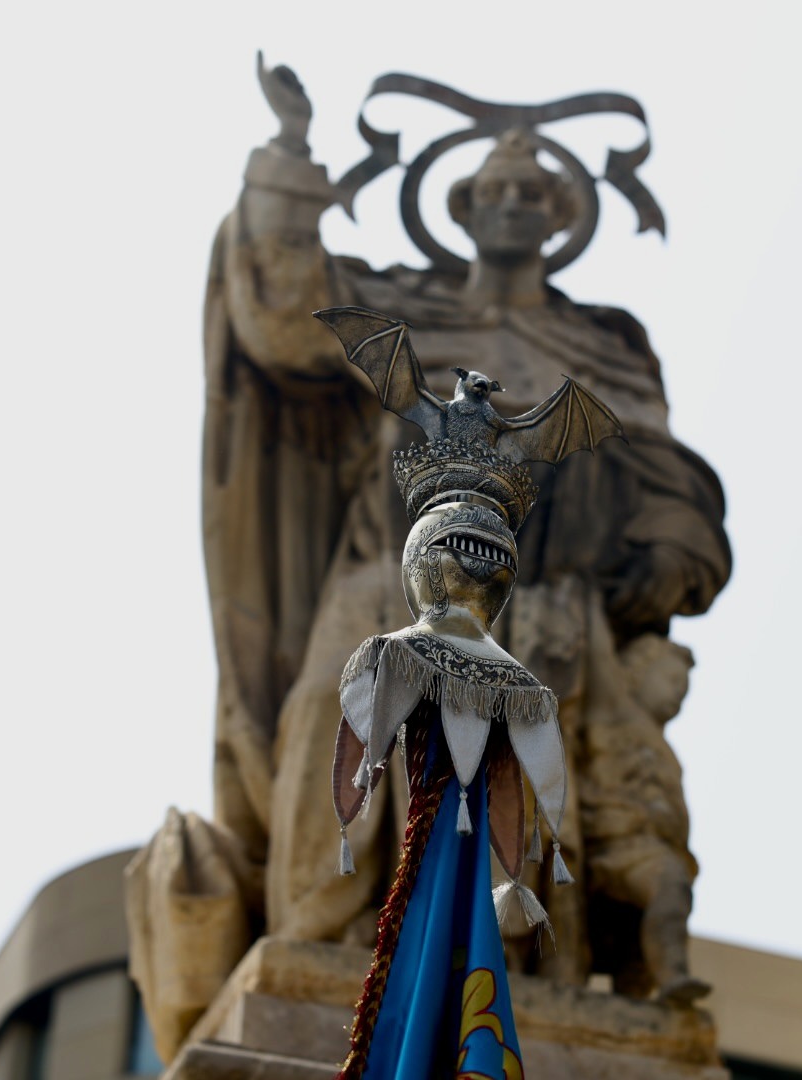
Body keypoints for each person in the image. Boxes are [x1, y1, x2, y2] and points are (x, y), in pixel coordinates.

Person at [201, 59, 732, 987]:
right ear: (461, 208)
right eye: (496, 189)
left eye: (535, 191)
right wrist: (288, 155)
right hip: (383, 578)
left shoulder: (605, 343)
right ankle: (324, 948)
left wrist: (673, 547)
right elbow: (282, 316)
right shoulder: (404, 306)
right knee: (327, 725)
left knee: (538, 772)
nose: (515, 203)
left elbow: (663, 474)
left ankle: (510, 966)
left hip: (547, 600)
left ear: (564, 216)